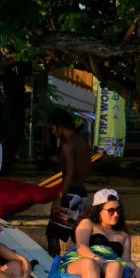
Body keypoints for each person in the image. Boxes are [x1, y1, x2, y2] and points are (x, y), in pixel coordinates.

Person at [59, 189, 140, 278]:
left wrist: (137, 269)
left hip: (107, 265)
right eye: (111, 210)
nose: (116, 214)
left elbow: (126, 260)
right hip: (81, 261)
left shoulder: (123, 235)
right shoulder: (88, 224)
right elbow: (81, 246)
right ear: (98, 210)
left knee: (116, 265)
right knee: (90, 263)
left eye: (118, 210)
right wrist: (95, 258)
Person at [46, 108, 92, 257]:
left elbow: (69, 174)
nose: (53, 133)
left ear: (60, 126)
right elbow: (87, 170)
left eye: (53, 129)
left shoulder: (67, 145)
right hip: (82, 194)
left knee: (53, 233)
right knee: (79, 235)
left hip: (70, 193)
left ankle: (54, 268)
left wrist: (59, 197)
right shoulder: (84, 142)